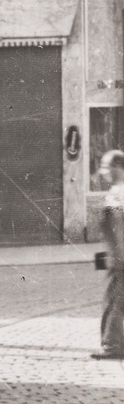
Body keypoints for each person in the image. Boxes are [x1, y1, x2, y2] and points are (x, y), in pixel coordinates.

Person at [93, 150, 124, 360]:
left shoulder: (119, 192)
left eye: (106, 166)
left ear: (117, 167)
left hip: (121, 258)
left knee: (115, 300)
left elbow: (118, 227)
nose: (103, 171)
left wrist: (118, 255)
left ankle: (112, 345)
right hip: (119, 255)